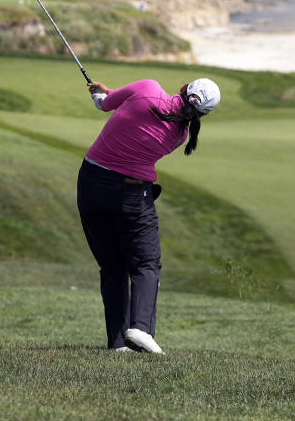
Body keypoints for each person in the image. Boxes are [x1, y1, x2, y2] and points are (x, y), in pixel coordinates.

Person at [77, 77, 221, 354]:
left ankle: (119, 343)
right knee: (146, 263)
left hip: (91, 182)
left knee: (112, 266)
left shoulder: (147, 88)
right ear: (203, 114)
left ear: (184, 87)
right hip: (132, 192)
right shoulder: (179, 136)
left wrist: (100, 95)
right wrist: (108, 94)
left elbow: (105, 105)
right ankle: (140, 328)